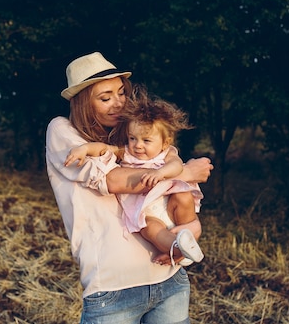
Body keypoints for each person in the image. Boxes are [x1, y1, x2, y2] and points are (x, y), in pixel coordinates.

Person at [45, 52, 213, 323]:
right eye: (105, 97)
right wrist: (186, 172)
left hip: (168, 277)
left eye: (121, 93)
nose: (118, 103)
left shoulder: (132, 134)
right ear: (83, 102)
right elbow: (114, 180)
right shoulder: (62, 130)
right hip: (114, 289)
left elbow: (166, 156)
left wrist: (177, 171)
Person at [65, 86, 205, 267]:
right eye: (132, 138)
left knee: (183, 196)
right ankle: (177, 247)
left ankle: (188, 234)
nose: (137, 145)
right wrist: (84, 149)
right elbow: (102, 148)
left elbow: (177, 166)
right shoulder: (126, 153)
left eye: (146, 140)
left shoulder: (167, 154)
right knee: (152, 229)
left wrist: (160, 173)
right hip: (144, 212)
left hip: (170, 205)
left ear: (165, 143)